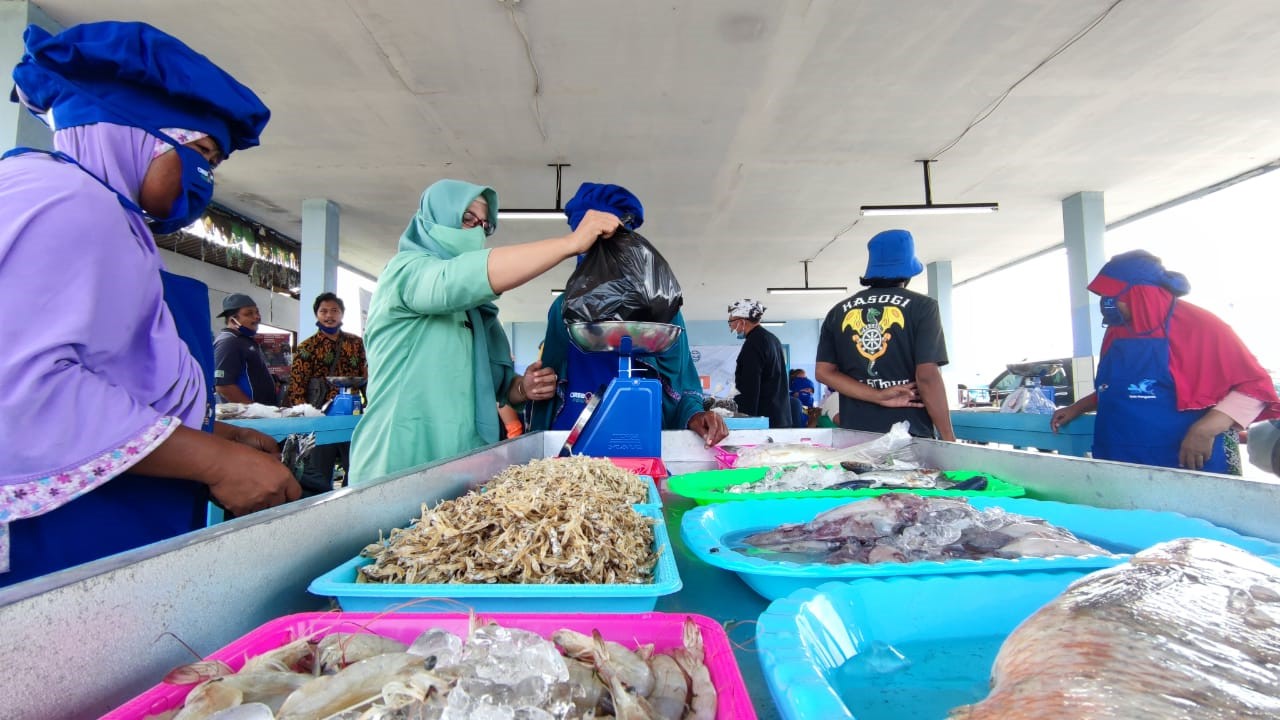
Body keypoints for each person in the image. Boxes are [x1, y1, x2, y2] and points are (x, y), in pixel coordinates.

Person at [0, 21, 299, 586]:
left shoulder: (106, 213)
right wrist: (214, 461)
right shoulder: (66, 202)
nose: (204, 181)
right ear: (133, 134)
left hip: (116, 512)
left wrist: (210, 434)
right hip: (57, 538)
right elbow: (19, 387)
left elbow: (104, 370)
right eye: (201, 153)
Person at [348, 179, 620, 483]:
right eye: (467, 220)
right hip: (400, 454)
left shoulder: (476, 313)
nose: (477, 231)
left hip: (461, 463)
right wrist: (571, 244)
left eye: (484, 225)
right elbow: (454, 280)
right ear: (433, 219)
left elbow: (501, 387)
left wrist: (524, 387)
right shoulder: (405, 274)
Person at [526, 183, 729, 447]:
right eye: (591, 242)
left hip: (640, 439)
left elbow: (682, 384)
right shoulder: (563, 309)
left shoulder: (662, 310)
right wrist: (531, 387)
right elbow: (547, 384)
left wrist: (695, 415)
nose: (601, 253)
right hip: (570, 444)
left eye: (609, 241)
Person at [1052, 250, 1280, 473]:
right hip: (1120, 455)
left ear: (1141, 293)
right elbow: (1122, 388)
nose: (1106, 303)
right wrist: (1077, 407)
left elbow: (1256, 388)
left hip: (1184, 460)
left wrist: (1205, 429)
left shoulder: (1201, 326)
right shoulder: (1117, 330)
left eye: (1113, 296)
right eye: (1103, 297)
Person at [816, 229, 955, 440]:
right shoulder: (923, 307)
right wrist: (948, 437)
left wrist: (877, 395)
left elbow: (824, 372)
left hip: (856, 436)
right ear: (908, 271)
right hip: (909, 434)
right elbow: (927, 376)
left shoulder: (838, 311)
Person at [284, 292, 368, 495]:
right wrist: (304, 420)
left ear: (342, 314)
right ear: (316, 315)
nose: (329, 316)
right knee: (319, 474)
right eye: (323, 311)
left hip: (352, 419)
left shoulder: (356, 344)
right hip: (319, 421)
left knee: (358, 468)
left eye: (334, 311)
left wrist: (371, 405)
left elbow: (366, 378)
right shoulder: (307, 348)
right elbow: (297, 387)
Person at [728, 299, 791, 428]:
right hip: (779, 416)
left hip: (763, 421)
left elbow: (750, 387)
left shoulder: (753, 344)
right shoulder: (772, 339)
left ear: (742, 321)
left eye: (732, 322)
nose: (732, 326)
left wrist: (744, 422)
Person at [213, 293, 280, 406]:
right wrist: (254, 410)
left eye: (257, 312)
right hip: (246, 418)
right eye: (249, 313)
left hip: (260, 415)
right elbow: (223, 386)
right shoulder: (229, 342)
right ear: (233, 320)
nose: (257, 317)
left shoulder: (244, 341)